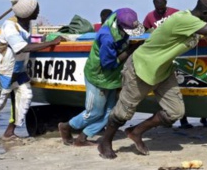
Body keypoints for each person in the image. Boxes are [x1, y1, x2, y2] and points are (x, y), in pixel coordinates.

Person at [96, 0, 207, 159]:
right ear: (205, 13)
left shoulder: (195, 22)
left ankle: (136, 131)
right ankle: (105, 142)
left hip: (163, 70)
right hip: (142, 68)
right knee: (124, 112)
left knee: (175, 112)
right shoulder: (185, 20)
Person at [58, 8, 144, 147]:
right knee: (94, 112)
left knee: (110, 112)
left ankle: (83, 137)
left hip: (112, 78)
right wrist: (129, 51)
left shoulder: (119, 16)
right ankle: (66, 126)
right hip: (98, 76)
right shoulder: (107, 38)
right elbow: (108, 64)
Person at [0, 0, 65, 139]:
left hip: (20, 70)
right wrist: (51, 43)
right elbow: (21, 47)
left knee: (25, 97)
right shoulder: (10, 26)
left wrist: (46, 38)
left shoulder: (27, 24)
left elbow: (28, 39)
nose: (38, 11)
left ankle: (10, 131)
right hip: (4, 70)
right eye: (36, 9)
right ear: (27, 12)